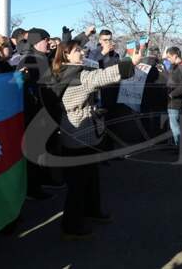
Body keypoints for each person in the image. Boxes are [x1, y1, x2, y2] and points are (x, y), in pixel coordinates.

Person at [48, 40, 141, 239]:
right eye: (77, 51)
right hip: (80, 133)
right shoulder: (78, 75)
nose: (82, 53)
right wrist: (130, 63)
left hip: (73, 130)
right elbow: (102, 76)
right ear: (66, 55)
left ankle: (92, 210)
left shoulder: (60, 73)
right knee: (78, 181)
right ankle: (71, 226)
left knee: (89, 176)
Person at [18, 28, 55, 200]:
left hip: (44, 113)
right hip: (34, 115)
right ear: (35, 42)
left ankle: (42, 181)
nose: (49, 42)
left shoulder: (43, 58)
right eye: (45, 39)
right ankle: (32, 189)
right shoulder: (30, 61)